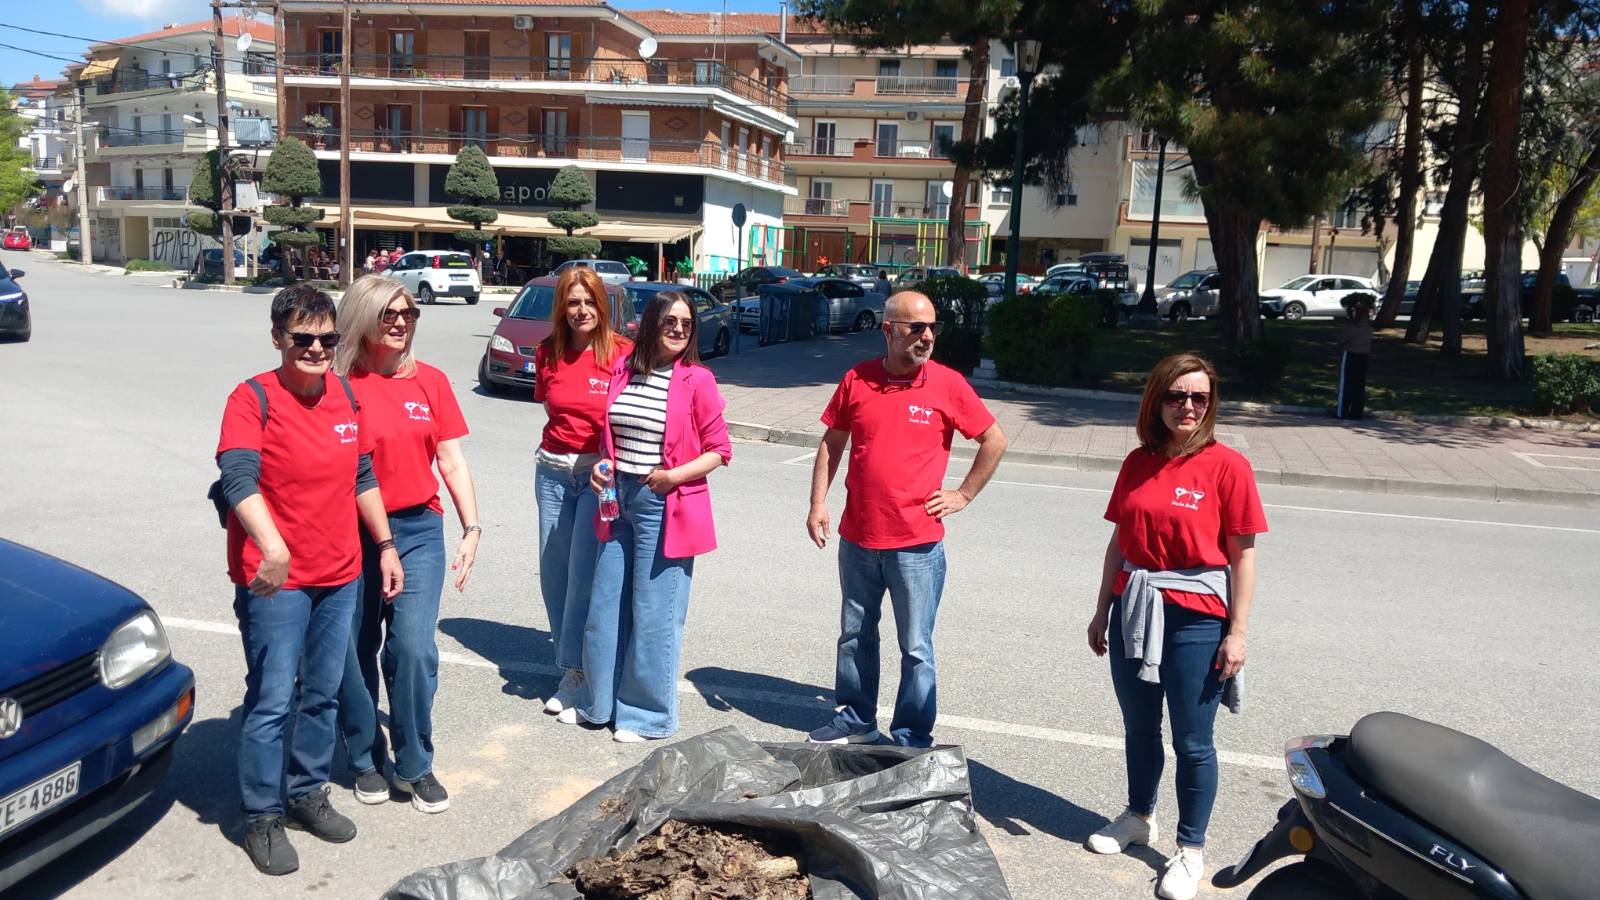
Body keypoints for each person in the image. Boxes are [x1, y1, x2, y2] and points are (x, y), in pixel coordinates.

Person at [215, 284, 404, 876]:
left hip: (340, 573)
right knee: (273, 700)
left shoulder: (344, 394)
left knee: (322, 694)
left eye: (327, 338)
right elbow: (237, 477)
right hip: (278, 581)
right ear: (278, 338)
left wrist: (386, 546)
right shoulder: (252, 398)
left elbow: (362, 475)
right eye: (303, 338)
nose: (317, 349)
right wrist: (272, 546)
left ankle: (306, 793)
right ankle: (261, 815)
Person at [1085, 352, 1267, 900]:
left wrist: (1238, 632)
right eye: (1176, 395)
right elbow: (1118, 542)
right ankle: (1139, 816)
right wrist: (1101, 609)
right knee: (1139, 727)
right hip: (1134, 608)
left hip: (1197, 618)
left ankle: (1190, 849)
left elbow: (1243, 558)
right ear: (1156, 400)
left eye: (1199, 397)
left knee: (1192, 740)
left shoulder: (1228, 466)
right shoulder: (1138, 462)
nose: (1188, 406)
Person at [804, 291, 1008, 748]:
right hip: (858, 538)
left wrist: (963, 494)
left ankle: (912, 735)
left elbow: (994, 440)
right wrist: (818, 503)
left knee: (916, 646)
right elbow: (832, 442)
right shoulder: (857, 379)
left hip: (917, 544)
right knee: (855, 634)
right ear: (888, 330)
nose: (927, 336)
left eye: (933, 327)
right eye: (916, 327)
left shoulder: (948, 384)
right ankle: (856, 720)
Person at [333, 276, 479, 815]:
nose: (400, 322)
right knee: (354, 649)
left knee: (413, 649)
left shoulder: (431, 382)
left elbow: (451, 460)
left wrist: (472, 528)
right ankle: (365, 756)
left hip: (418, 530)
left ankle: (415, 762)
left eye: (408, 313)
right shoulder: (338, 384)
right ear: (362, 318)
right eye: (388, 314)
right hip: (351, 532)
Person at [568, 291, 731, 742]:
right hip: (616, 499)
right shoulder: (625, 369)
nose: (679, 329)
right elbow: (612, 435)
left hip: (664, 503)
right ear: (651, 323)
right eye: (670, 321)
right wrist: (604, 464)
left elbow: (720, 450)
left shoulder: (697, 380)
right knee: (604, 607)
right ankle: (599, 704)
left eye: (686, 323)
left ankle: (646, 715)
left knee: (654, 612)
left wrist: (672, 476)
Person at [533, 268, 632, 717]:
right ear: (562, 308)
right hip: (553, 473)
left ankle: (587, 669)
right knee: (555, 575)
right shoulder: (548, 352)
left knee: (586, 577)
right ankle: (570, 667)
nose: (582, 310)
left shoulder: (623, 354)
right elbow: (550, 407)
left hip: (600, 477)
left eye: (590, 301)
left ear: (602, 306)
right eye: (573, 302)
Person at [1336, 296, 1374, 420]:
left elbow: (1341, 340)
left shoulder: (1353, 326)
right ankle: (1357, 412)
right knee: (1359, 385)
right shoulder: (1368, 327)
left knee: (1346, 384)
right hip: (1364, 356)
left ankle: (1342, 411)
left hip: (1351, 354)